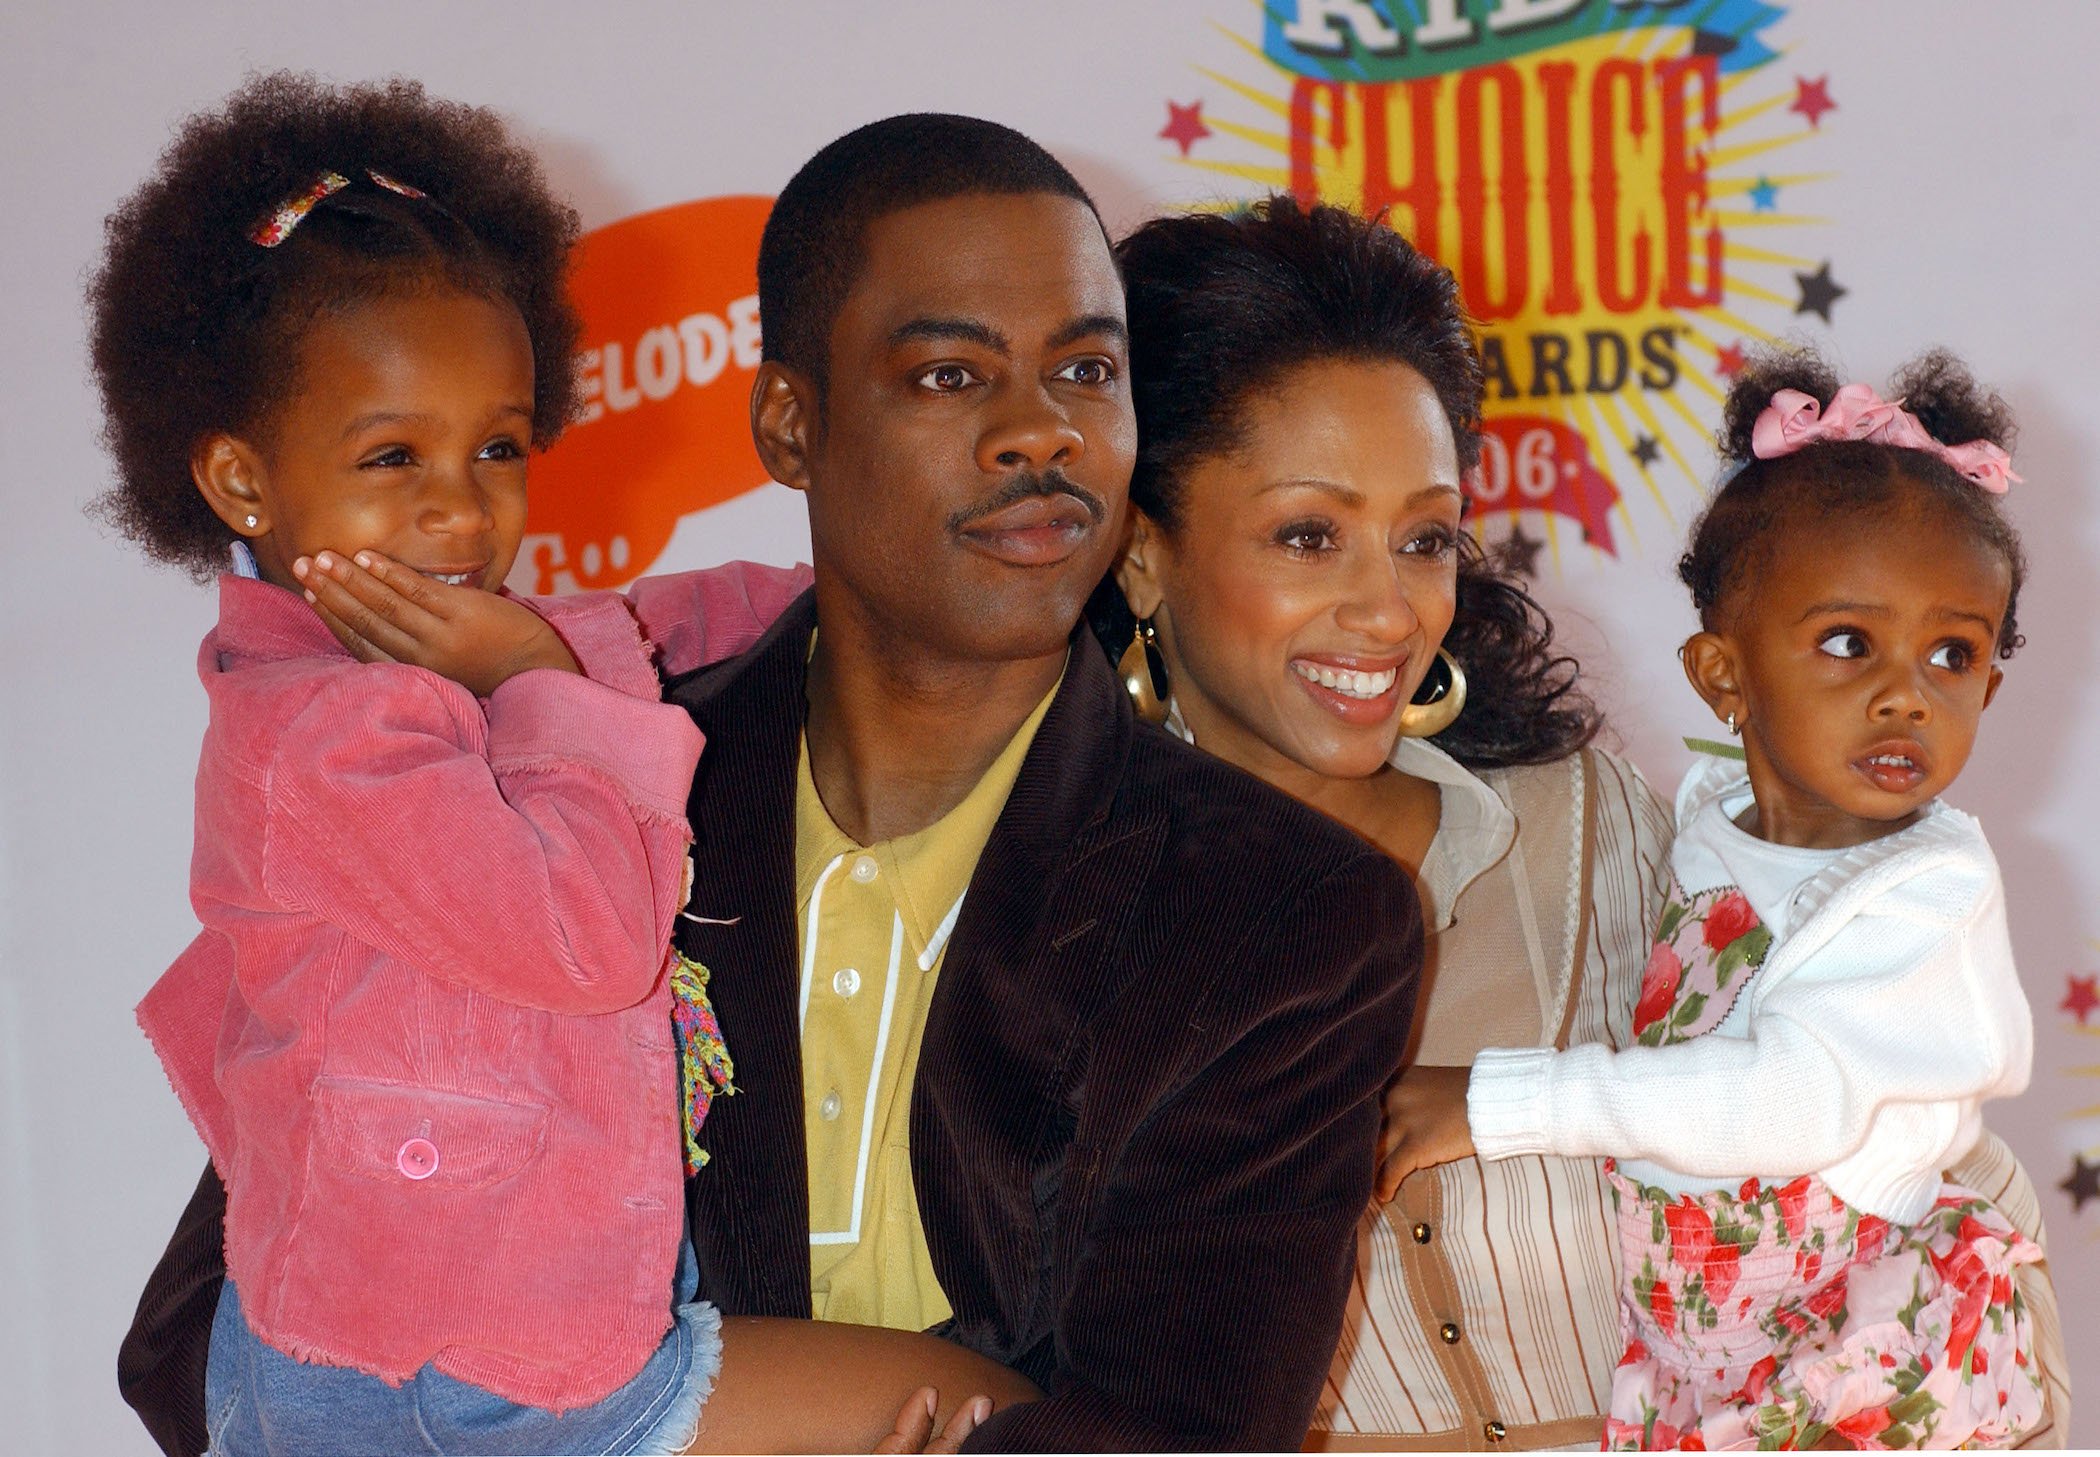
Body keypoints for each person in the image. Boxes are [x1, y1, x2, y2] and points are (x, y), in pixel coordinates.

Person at [120, 113, 1423, 1452]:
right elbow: (215, 1312)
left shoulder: (1286, 917)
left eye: (1088, 370)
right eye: (947, 377)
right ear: (790, 423)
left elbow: (1171, 1434)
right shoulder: (571, 789)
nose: (1039, 432)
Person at [103, 78, 1039, 1457]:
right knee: (987, 1416)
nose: (457, 506)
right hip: (434, 1394)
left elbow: (665, 627)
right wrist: (540, 678)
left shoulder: (437, 657)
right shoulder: (317, 739)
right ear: (244, 482)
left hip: (513, 1349)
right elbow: (593, 932)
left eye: (497, 447)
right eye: (389, 456)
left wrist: (869, 585)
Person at [1097, 198, 2068, 1450]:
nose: (1389, 608)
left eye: (1425, 537)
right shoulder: (1072, 937)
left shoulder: (1585, 831)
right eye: (1308, 534)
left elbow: (1918, 1159)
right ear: (1139, 556)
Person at [1436, 348, 2051, 1449]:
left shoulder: (1926, 892)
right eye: (1848, 642)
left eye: (1953, 653)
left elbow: (1792, 1097)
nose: (1907, 691)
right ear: (1724, 676)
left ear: (1989, 686)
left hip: (1853, 1348)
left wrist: (1504, 1104)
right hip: (1703, 1360)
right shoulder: (1709, 826)